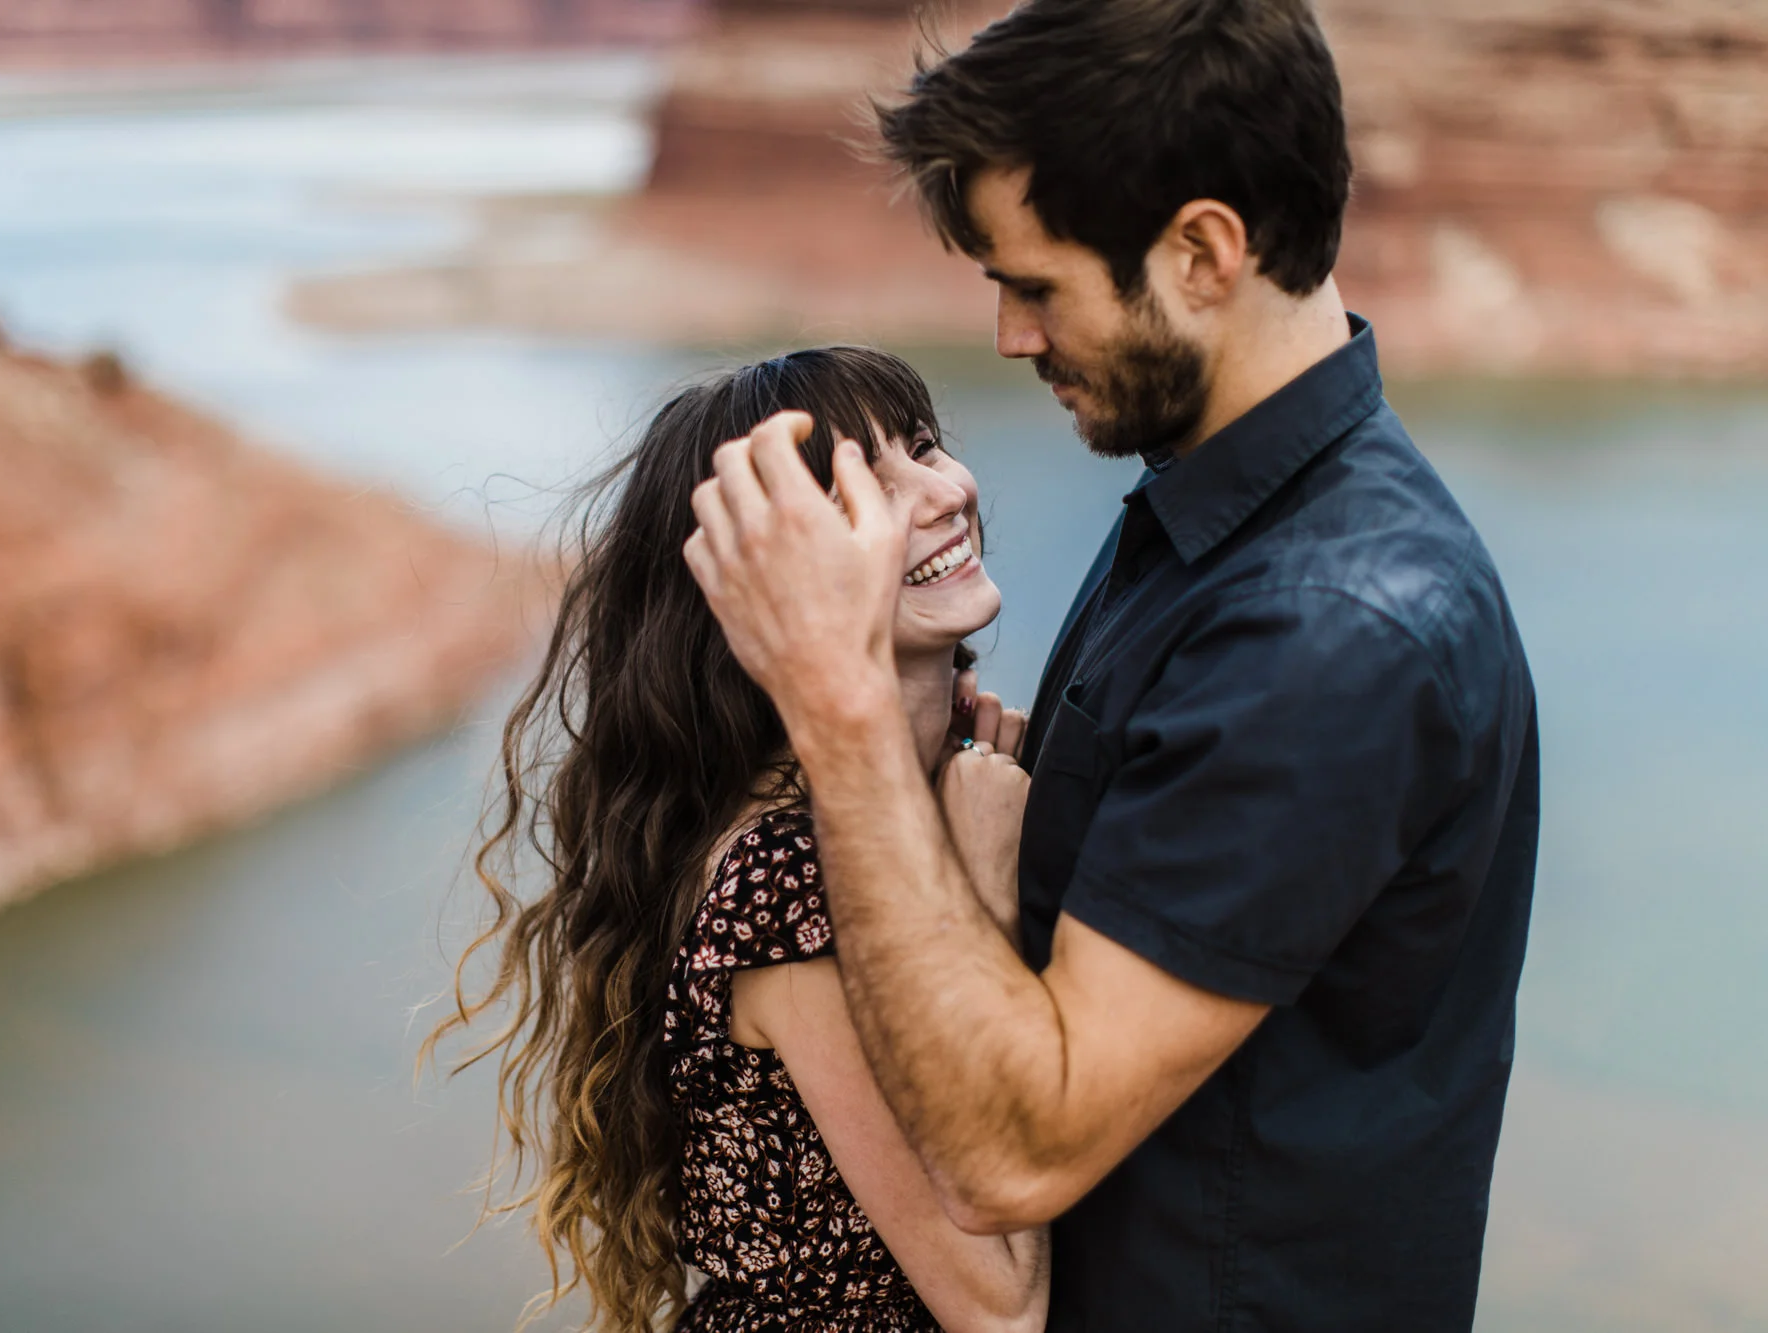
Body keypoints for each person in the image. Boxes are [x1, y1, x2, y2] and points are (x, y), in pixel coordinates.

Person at [681, 2, 1540, 1331]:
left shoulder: (1323, 630)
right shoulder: (1206, 509)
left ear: (1203, 251)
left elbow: (1014, 1151)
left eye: (1037, 285)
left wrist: (837, 700)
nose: (1015, 338)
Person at [429, 347, 1048, 1333]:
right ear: (758, 592)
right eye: (860, 489)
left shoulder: (928, 798)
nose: (940, 493)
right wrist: (988, 908)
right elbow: (998, 1307)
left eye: (922, 447)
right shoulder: (788, 886)